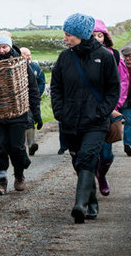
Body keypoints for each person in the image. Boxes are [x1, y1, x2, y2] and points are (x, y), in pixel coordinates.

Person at [51, 13, 120, 223]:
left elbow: (113, 90)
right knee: (77, 160)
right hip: (70, 122)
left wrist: (101, 112)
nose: (65, 38)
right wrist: (59, 112)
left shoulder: (105, 57)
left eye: (69, 35)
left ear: (81, 34)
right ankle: (92, 202)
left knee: (88, 157)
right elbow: (56, 87)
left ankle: (79, 205)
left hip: (96, 122)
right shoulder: (64, 57)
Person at [0, 32, 42, 195]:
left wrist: (36, 114)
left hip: (18, 114)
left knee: (17, 148)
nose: (2, 50)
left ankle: (19, 174)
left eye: (4, 46)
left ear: (10, 46)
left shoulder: (21, 64)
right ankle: (1, 180)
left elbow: (33, 89)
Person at [91, 19, 129, 196]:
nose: (97, 39)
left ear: (105, 37)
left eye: (100, 35)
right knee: (89, 152)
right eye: (93, 35)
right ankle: (88, 188)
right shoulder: (81, 55)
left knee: (107, 154)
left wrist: (117, 103)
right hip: (88, 111)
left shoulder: (114, 55)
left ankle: (102, 174)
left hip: (108, 109)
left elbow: (123, 80)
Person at [20, 47, 46, 156]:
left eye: (29, 54)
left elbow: (41, 81)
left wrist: (37, 94)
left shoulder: (35, 67)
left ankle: (31, 145)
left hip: (31, 99)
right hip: (18, 100)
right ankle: (20, 146)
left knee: (30, 120)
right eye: (26, 55)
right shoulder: (17, 67)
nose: (29, 57)